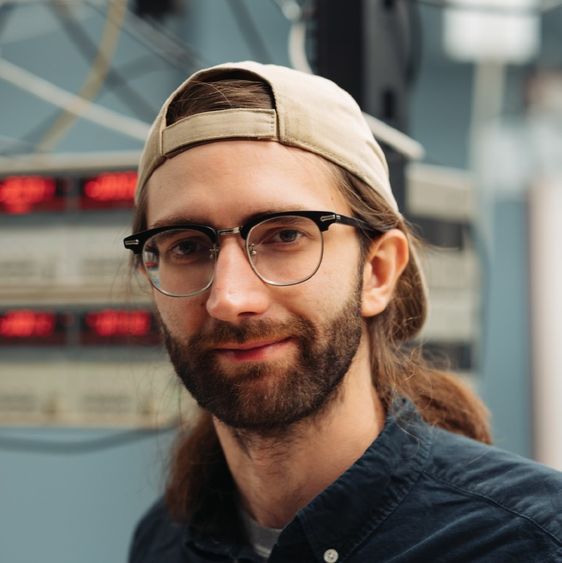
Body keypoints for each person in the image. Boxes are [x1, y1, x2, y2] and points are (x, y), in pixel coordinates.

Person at [125, 61, 562, 562]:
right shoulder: (166, 540)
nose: (229, 298)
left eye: (285, 235)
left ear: (377, 271)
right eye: (186, 247)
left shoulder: (528, 542)